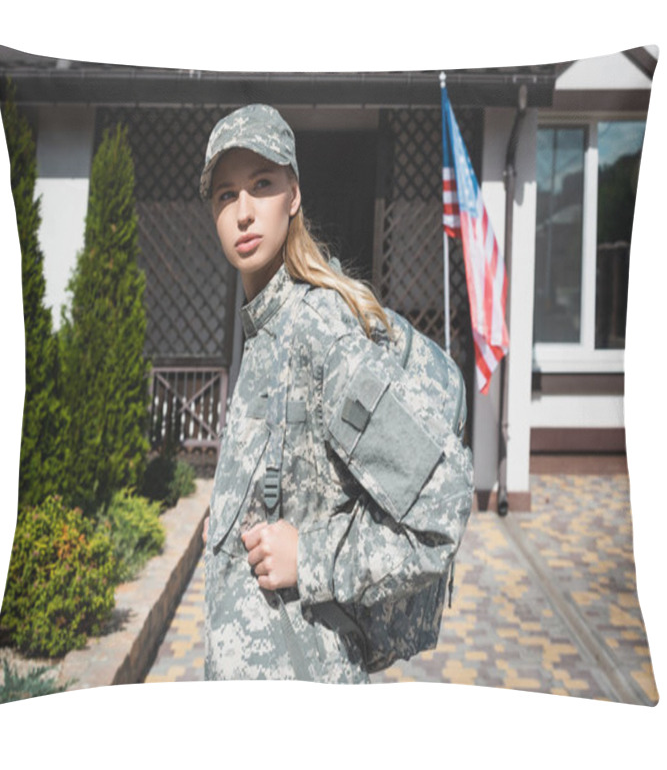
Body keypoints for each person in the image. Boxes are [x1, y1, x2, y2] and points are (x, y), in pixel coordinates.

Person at [200, 103, 473, 682]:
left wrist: (312, 557)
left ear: (293, 195)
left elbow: (441, 511)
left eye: (261, 186)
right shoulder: (264, 329)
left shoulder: (319, 333)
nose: (244, 213)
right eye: (226, 195)